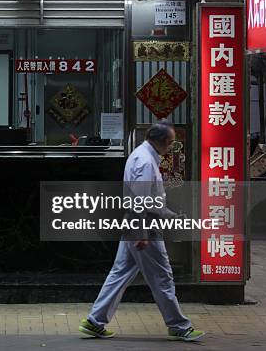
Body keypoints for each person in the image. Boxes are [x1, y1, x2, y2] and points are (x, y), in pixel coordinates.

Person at [78, 120, 205, 342]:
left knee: (120, 274)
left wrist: (169, 216)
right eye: (171, 142)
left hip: (135, 225)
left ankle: (95, 321)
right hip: (144, 227)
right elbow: (140, 201)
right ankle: (178, 326)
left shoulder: (140, 155)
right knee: (162, 278)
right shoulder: (146, 162)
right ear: (163, 141)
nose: (172, 146)